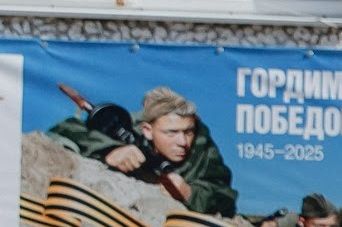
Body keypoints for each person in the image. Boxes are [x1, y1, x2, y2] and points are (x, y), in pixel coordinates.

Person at [45, 85, 238, 216]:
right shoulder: (124, 127)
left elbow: (225, 198)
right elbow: (66, 131)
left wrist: (190, 193)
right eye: (171, 133)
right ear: (147, 130)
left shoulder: (200, 145)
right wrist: (109, 151)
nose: (182, 141)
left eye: (187, 132)